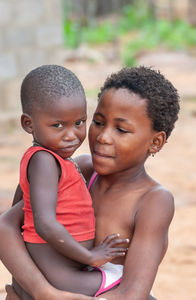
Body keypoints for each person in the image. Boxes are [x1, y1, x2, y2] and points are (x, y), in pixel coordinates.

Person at [0, 66, 180, 300]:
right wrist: (42, 292)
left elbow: (132, 294)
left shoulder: (153, 201)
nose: (103, 137)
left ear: (155, 142)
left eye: (121, 129)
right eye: (98, 122)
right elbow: (9, 228)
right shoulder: (78, 171)